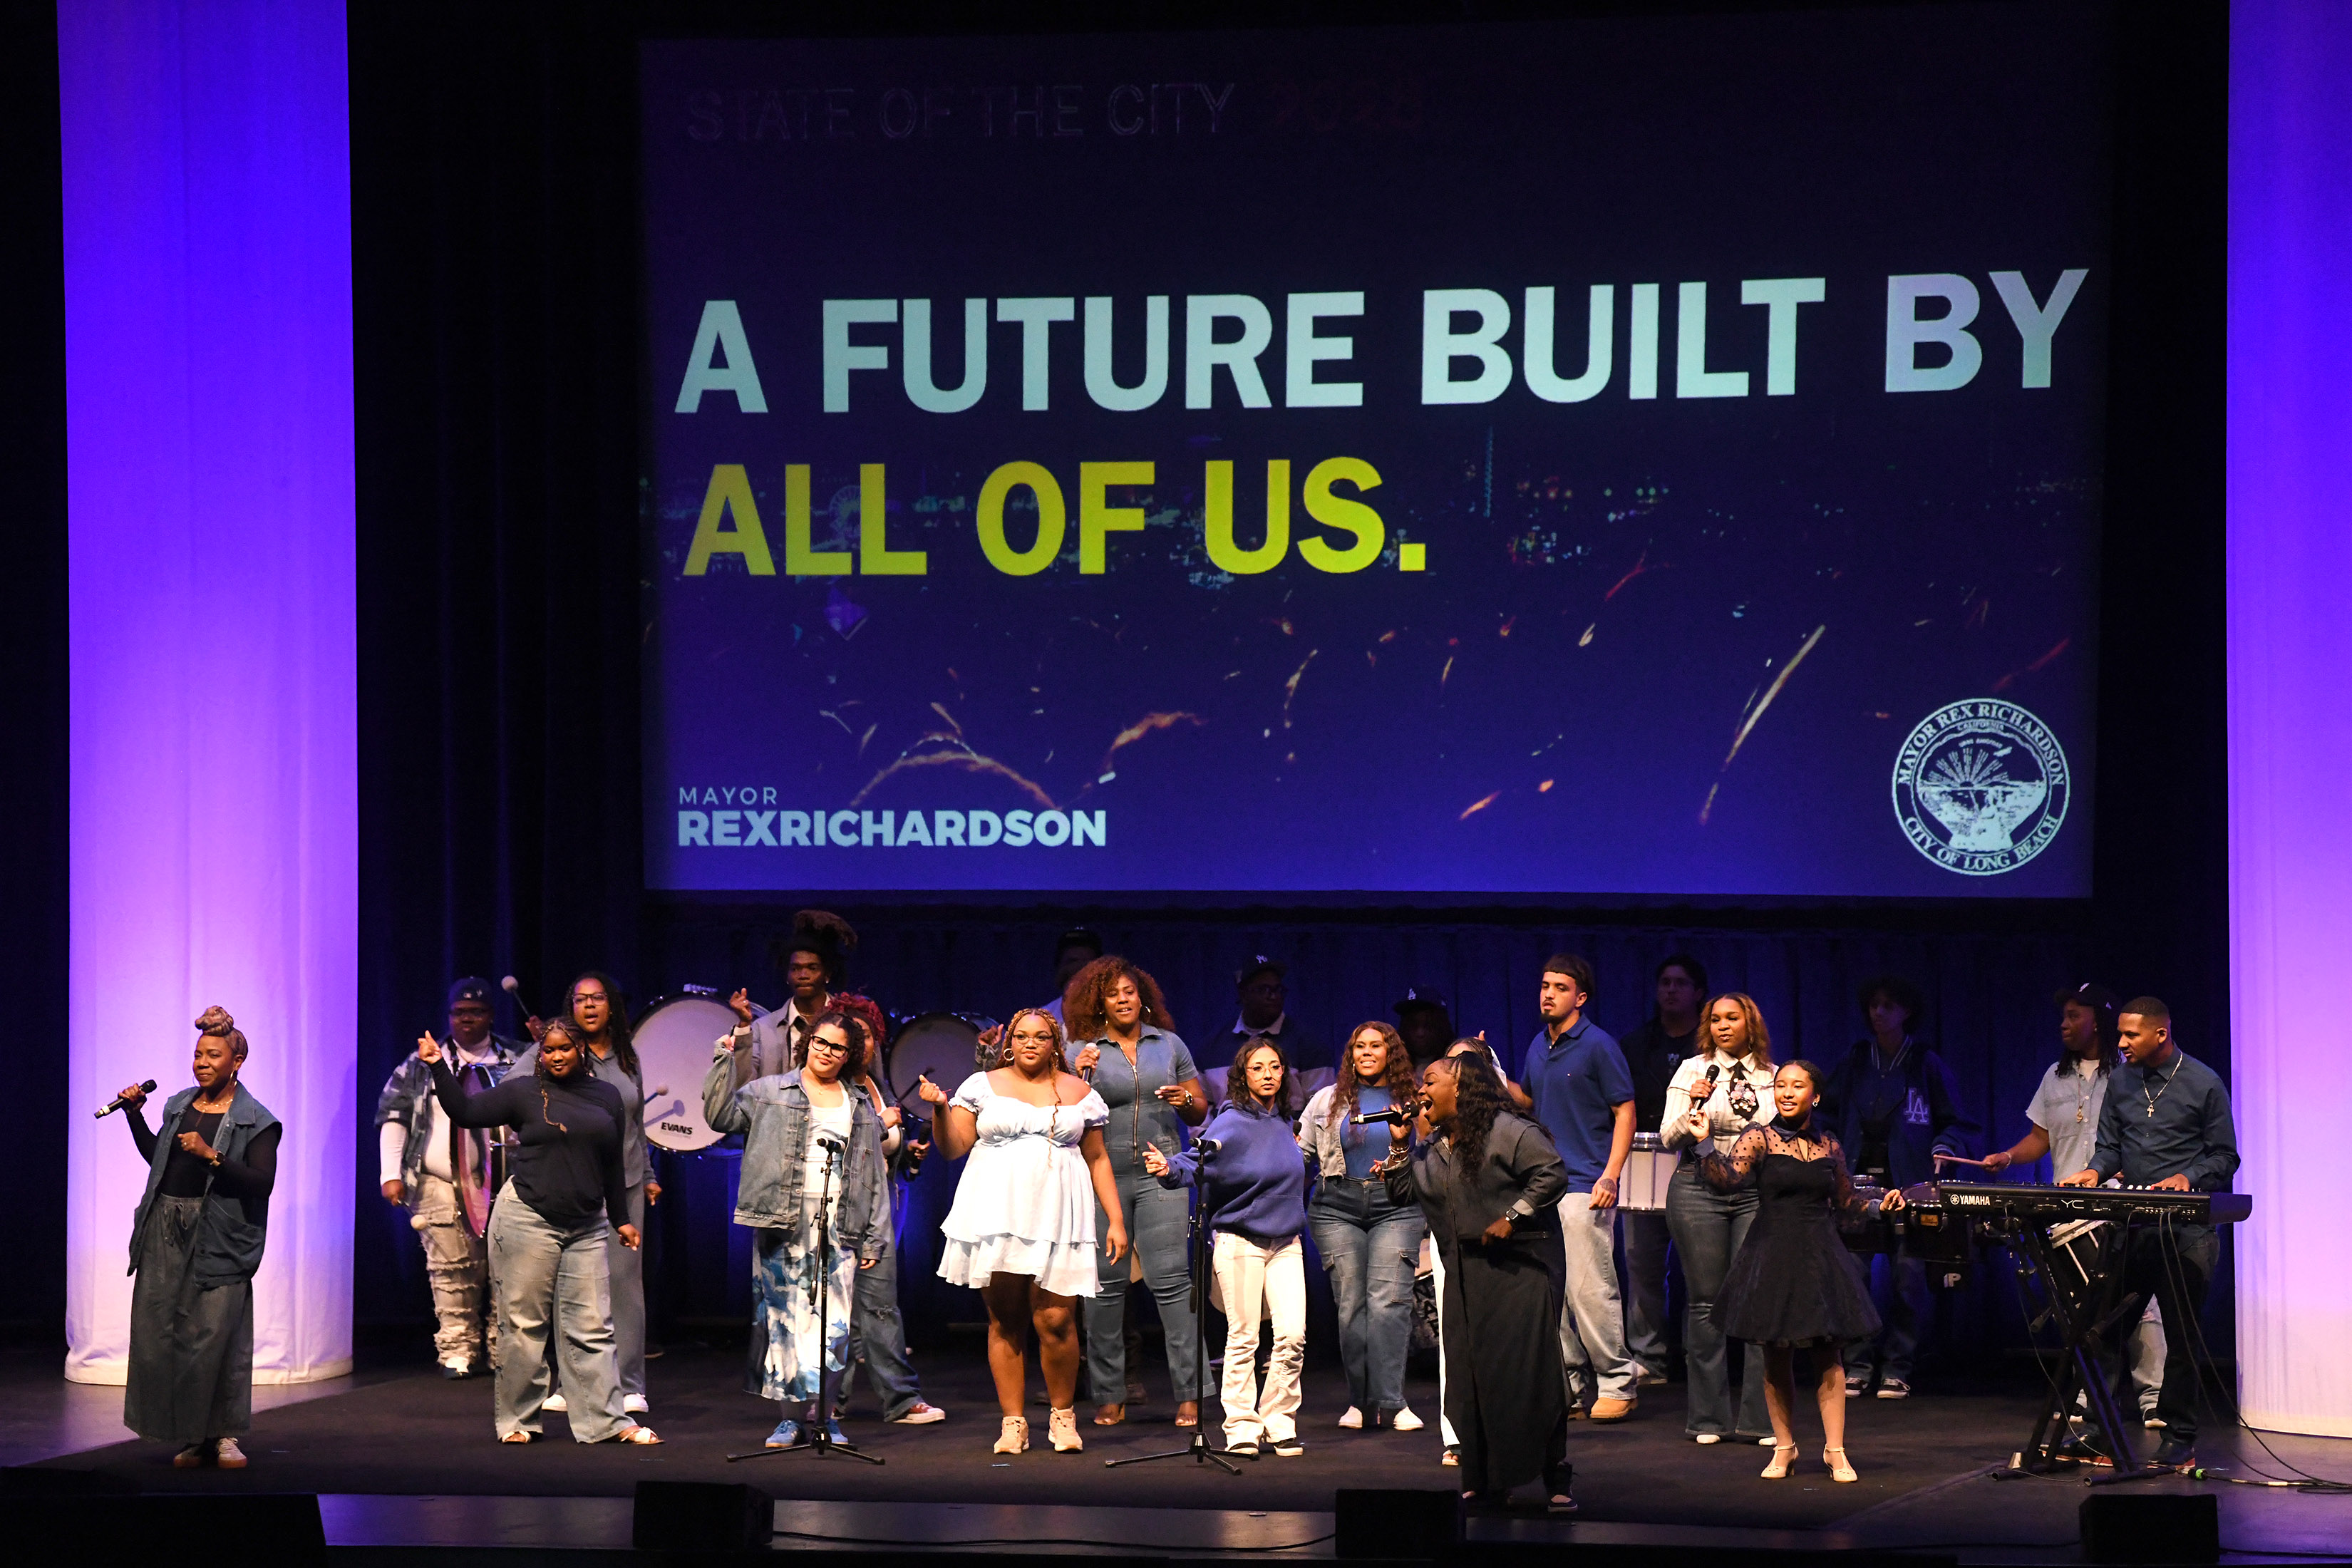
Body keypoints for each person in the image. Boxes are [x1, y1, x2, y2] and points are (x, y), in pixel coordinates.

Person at [423, 1018, 659, 1445]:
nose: (556, 1056)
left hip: (587, 1224)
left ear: (580, 1050)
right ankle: (518, 1421)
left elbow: (612, 1163)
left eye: (564, 1049)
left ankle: (606, 1421)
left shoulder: (606, 1096)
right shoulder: (523, 1092)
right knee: (524, 1326)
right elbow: (466, 1112)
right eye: (548, 1050)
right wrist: (439, 1065)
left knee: (593, 1326)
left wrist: (621, 1218)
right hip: (529, 1218)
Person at [920, 1007, 1127, 1455]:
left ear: (1056, 1045)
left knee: (1056, 1319)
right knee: (1006, 1318)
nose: (1031, 1043)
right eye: (1021, 1036)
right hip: (998, 1211)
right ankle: (1013, 1423)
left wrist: (1115, 1219)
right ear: (1009, 1044)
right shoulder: (982, 1086)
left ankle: (1063, 1416)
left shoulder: (1080, 1092)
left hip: (1059, 1213)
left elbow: (1097, 1159)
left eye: (1041, 1036)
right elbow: (953, 1147)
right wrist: (939, 1109)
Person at [1381, 1051, 1574, 1512]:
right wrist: (1400, 1146)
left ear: (1461, 1087)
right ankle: (1484, 1479)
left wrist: (1512, 1216)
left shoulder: (1508, 1130)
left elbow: (1551, 1173)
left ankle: (1555, 1477)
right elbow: (1402, 1192)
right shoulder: (1434, 1146)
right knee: (1471, 1381)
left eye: (1430, 1081)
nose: (1420, 1091)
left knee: (1527, 1378)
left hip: (1517, 1273)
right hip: (1465, 1276)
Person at [1695, 1058, 1902, 1484]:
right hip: (1773, 1253)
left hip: (1820, 1255)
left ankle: (1835, 1451)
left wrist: (1880, 1207)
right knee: (1776, 1354)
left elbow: (1847, 1204)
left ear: (1816, 1096)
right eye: (1781, 1085)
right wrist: (1703, 1144)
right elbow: (1728, 1180)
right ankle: (1784, 1447)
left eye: (1797, 1086)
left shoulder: (1829, 1145)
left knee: (1829, 1356)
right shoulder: (1760, 1136)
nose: (1787, 1093)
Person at [2058, 996, 2239, 1469]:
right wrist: (2094, 1171)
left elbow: (2225, 1157)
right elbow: (2110, 1147)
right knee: (2104, 1331)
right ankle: (2098, 1432)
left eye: (2130, 1035)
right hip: (2132, 1230)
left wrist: (2188, 1177)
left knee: (2181, 1339)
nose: (2120, 1042)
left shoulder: (2203, 1082)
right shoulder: (2121, 1081)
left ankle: (2179, 1439)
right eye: (2120, 1033)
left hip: (2186, 1233)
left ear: (2161, 1034)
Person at [705, 1006, 890, 1449]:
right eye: (820, 1042)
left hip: (841, 1222)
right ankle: (789, 1421)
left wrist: (875, 1236)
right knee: (785, 1322)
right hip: (781, 1219)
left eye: (838, 1048)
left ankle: (826, 1417)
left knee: (834, 1327)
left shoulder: (859, 1103)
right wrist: (724, 1059)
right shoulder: (770, 1090)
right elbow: (719, 1117)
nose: (827, 1052)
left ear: (849, 1056)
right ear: (808, 1043)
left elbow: (873, 1174)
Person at [1985, 983, 2167, 1428]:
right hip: (2070, 1209)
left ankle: (2154, 1398)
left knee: (2139, 1303)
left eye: (2073, 1015)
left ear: (2098, 1020)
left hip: (2121, 1202)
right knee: (2086, 1308)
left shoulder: (2130, 1072)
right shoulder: (2055, 1075)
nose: (2064, 1024)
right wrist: (2008, 1156)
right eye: (2062, 1016)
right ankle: (2093, 1393)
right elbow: (2040, 1138)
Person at [116, 1006, 281, 1470]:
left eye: (213, 1055)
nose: (202, 1063)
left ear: (237, 1061)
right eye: (198, 1055)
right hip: (165, 1226)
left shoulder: (256, 1120)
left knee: (214, 1337)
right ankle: (193, 1435)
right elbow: (160, 1159)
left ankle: (224, 1434)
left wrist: (212, 1156)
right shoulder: (179, 1105)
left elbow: (262, 1183)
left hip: (219, 1233)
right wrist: (135, 1117)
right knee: (163, 1335)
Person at [1147, 1036, 1312, 1456]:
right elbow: (1197, 1159)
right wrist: (1168, 1168)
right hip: (1241, 1240)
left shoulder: (1285, 1123)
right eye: (1257, 1068)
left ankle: (1279, 1421)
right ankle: (1240, 1425)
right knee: (1244, 1337)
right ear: (1243, 1075)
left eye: (1274, 1067)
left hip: (1286, 1242)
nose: (1268, 1075)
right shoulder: (1233, 1121)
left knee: (1292, 1335)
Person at [1063, 955, 1209, 1427]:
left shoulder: (1168, 1045)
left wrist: (1186, 1100)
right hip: (1100, 1175)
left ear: (1141, 997)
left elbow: (1199, 1109)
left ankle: (1190, 1393)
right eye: (1113, 994)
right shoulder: (1081, 1049)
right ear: (1099, 1002)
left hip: (1158, 1172)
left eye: (1129, 992)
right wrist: (1077, 1073)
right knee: (1105, 1287)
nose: (1123, 1000)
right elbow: (1062, 1112)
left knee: (1172, 1281)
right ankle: (1109, 1392)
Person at [1821, 975, 1976, 1398]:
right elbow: (1826, 1113)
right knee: (1853, 1277)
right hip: (1857, 1185)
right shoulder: (1856, 1059)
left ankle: (1898, 1366)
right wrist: (1829, 1147)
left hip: (1909, 1185)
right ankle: (1857, 1364)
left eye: (1888, 1005)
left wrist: (1944, 1145)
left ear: (1906, 1011)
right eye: (1873, 1005)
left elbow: (1955, 1121)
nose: (1878, 1012)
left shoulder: (1924, 1062)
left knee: (1908, 1280)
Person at [518, 971, 658, 1415]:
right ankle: (573, 1383)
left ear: (611, 1006)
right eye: (581, 1000)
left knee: (623, 1287)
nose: (590, 1006)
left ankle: (629, 1385)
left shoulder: (627, 1058)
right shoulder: (554, 1049)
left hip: (625, 1184)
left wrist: (648, 1173)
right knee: (573, 1287)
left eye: (598, 998)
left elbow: (636, 1124)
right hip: (573, 1185)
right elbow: (510, 1091)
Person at [1512, 953, 1641, 1422]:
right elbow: (1527, 1100)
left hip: (1586, 1183)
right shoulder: (1537, 1045)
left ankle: (1619, 1382)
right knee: (1553, 1293)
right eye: (1545, 986)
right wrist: (1490, 1073)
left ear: (1580, 997)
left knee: (1590, 1290)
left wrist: (1612, 1174)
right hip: (1545, 1185)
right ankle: (1570, 1386)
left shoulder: (1598, 1045)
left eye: (1560, 988)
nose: (1548, 994)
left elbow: (1625, 1111)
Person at [375, 977, 525, 1378]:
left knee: (508, 1266)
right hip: (438, 1180)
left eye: (476, 1012)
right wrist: (391, 1173)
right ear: (449, 1016)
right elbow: (394, 1116)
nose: (467, 1019)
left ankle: (505, 1349)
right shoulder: (421, 1062)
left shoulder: (519, 1059)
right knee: (452, 1265)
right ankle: (457, 1349)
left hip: (509, 1180)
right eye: (459, 1013)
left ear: (491, 1016)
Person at [1298, 1021, 1428, 1434]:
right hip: (1337, 1207)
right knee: (1351, 1305)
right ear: (1351, 1054)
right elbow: (1299, 1157)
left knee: (1389, 1303)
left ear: (1392, 1053)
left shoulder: (1415, 1100)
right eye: (1359, 1046)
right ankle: (1359, 1401)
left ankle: (1393, 1401)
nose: (1367, 1052)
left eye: (1376, 1045)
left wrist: (1400, 1153)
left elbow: (1430, 1157)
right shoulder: (1326, 1100)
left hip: (1397, 1206)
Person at [1660, 991, 1778, 1445]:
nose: (1722, 1026)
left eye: (1732, 1018)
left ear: (1751, 1024)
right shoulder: (1693, 1070)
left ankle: (1760, 1420)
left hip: (1753, 1191)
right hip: (1698, 1188)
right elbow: (1670, 1137)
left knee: (1755, 1299)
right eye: (1715, 1019)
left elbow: (1784, 1134)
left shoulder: (1772, 1077)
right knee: (1706, 1302)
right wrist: (1693, 1106)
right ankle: (1708, 1419)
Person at [1613, 954, 1707, 1387]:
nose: (1671, 990)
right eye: (1665, 982)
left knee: (1701, 1270)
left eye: (1680, 983)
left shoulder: (1710, 1048)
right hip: (1642, 1163)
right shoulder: (1635, 1045)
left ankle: (1699, 1357)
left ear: (1698, 993)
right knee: (1642, 1265)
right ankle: (1649, 1356)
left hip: (1698, 1163)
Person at [728, 909, 860, 1080]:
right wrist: (744, 1027)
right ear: (787, 976)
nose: (803, 975)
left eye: (812, 968)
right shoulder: (764, 1029)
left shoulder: (852, 1022)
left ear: (827, 974)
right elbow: (743, 1084)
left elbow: (870, 1081)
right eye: (795, 969)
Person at [1200, 956, 1331, 1073]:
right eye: (1263, 990)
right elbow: (1199, 1094)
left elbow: (1321, 1094)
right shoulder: (1212, 1048)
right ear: (1243, 994)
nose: (1273, 996)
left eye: (1277, 989)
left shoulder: (1308, 1046)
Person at [1040, 927, 1103, 1030]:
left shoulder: (1113, 1017)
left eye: (1088, 963)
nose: (1080, 969)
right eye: (1073, 961)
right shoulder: (1042, 1020)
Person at [1393, 988, 1455, 1070]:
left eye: (1428, 1024)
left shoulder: (1458, 1069)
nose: (1420, 1033)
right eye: (1413, 1024)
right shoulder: (1391, 1069)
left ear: (1442, 1026)